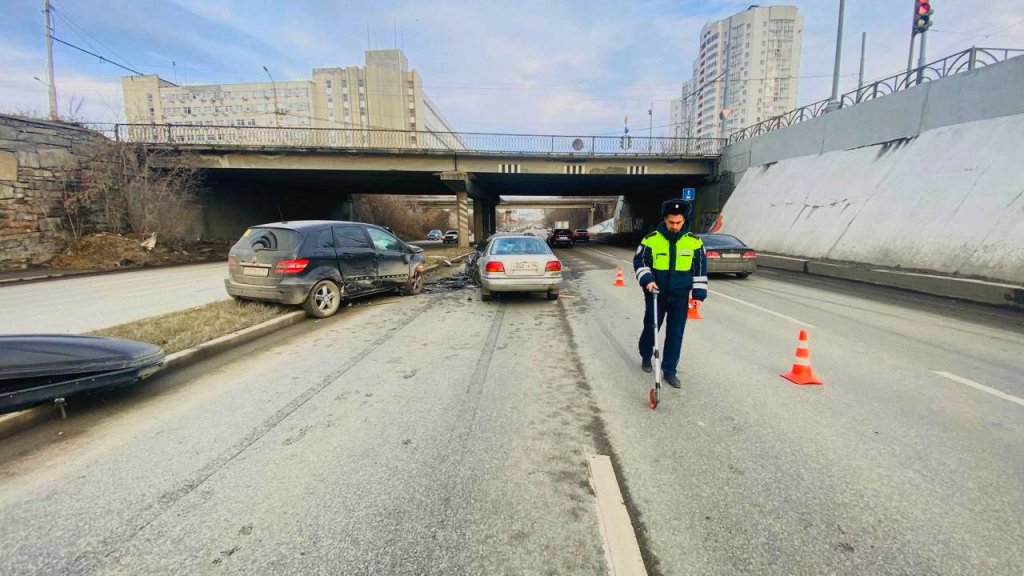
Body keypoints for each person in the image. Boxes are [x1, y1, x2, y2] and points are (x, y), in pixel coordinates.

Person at [633, 199, 708, 388]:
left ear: (684, 221)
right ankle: (646, 355)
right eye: (671, 222)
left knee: (676, 333)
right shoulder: (651, 239)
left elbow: (700, 270)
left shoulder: (694, 242)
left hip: (680, 296)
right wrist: (647, 280)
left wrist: (698, 296)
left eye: (678, 223)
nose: (675, 226)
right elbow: (640, 262)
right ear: (665, 219)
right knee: (651, 327)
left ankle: (669, 370)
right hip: (656, 293)